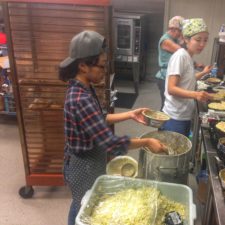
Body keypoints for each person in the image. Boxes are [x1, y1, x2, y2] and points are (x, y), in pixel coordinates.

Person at [59, 30, 166, 225]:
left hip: (87, 160)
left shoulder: (81, 87)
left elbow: (97, 119)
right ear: (82, 66)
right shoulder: (80, 98)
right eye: (101, 66)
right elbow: (110, 143)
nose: (104, 71)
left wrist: (130, 114)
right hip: (84, 165)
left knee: (82, 202)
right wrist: (147, 142)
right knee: (82, 206)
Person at [161, 18, 212, 137]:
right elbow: (171, 89)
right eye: (198, 39)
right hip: (175, 117)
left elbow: (187, 79)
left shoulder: (188, 56)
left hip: (183, 115)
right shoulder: (180, 56)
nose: (202, 44)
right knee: (173, 153)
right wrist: (196, 94)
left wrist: (203, 72)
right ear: (186, 39)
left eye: (205, 40)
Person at [155, 16, 184, 110]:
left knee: (168, 105)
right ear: (173, 29)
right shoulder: (166, 41)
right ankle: (161, 124)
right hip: (164, 77)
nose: (180, 34)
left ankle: (163, 124)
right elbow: (182, 52)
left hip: (170, 76)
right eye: (180, 31)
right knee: (166, 106)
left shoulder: (174, 39)